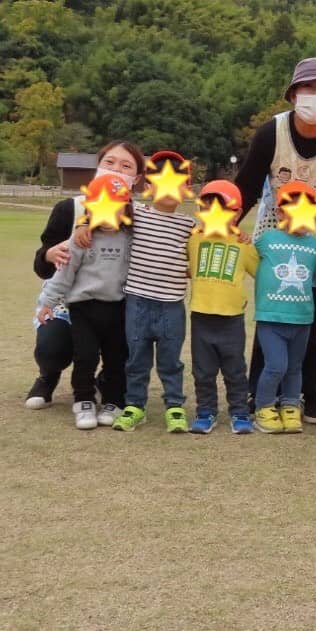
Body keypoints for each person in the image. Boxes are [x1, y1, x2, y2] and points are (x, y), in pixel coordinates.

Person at [235, 58, 316, 422]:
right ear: (293, 94)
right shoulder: (270, 133)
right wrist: (223, 223)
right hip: (275, 235)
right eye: (308, 88)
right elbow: (245, 186)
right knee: (274, 313)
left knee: (315, 316)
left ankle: (311, 394)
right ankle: (259, 393)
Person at [25, 140, 143, 410]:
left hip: (116, 301)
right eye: (109, 162)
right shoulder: (69, 208)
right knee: (53, 347)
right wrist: (49, 255)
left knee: (132, 341)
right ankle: (48, 376)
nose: (116, 170)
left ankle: (107, 382)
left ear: (135, 179)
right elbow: (41, 266)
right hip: (73, 302)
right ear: (97, 167)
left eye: (126, 166)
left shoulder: (136, 216)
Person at [115, 151, 197, 434]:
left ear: (187, 189)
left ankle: (174, 406)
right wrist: (82, 228)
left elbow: (201, 254)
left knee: (170, 360)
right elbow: (102, 209)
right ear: (148, 187)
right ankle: (135, 405)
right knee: (136, 357)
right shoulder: (136, 213)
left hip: (172, 305)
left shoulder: (190, 225)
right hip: (137, 301)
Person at [251, 180, 316, 433]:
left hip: (302, 320)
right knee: (276, 365)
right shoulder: (266, 240)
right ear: (279, 212)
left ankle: (290, 405)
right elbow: (247, 255)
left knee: (295, 367)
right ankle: (264, 406)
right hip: (271, 319)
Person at [186, 179, 259, 435]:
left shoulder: (243, 243)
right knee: (203, 371)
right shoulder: (193, 239)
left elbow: (261, 272)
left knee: (235, 370)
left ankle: (239, 413)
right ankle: (205, 412)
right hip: (201, 317)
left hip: (232, 320)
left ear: (237, 213)